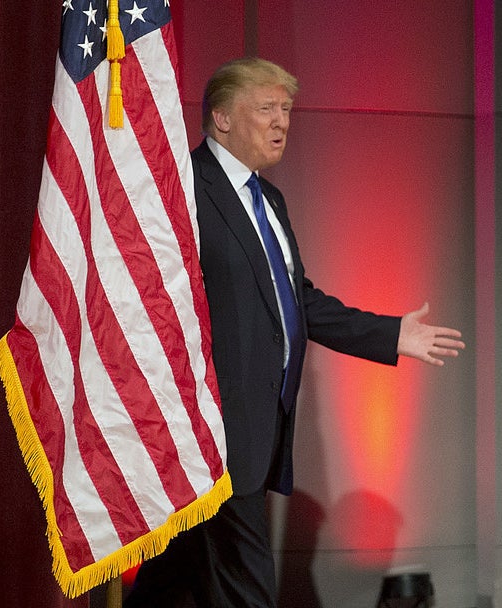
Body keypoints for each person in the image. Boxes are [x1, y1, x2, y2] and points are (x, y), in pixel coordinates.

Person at [123, 57, 465, 607]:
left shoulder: (270, 200)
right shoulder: (182, 188)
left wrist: (388, 334)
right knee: (247, 586)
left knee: (175, 580)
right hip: (209, 434)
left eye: (286, 109)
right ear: (222, 118)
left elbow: (297, 301)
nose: (281, 121)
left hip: (258, 430)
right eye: (266, 108)